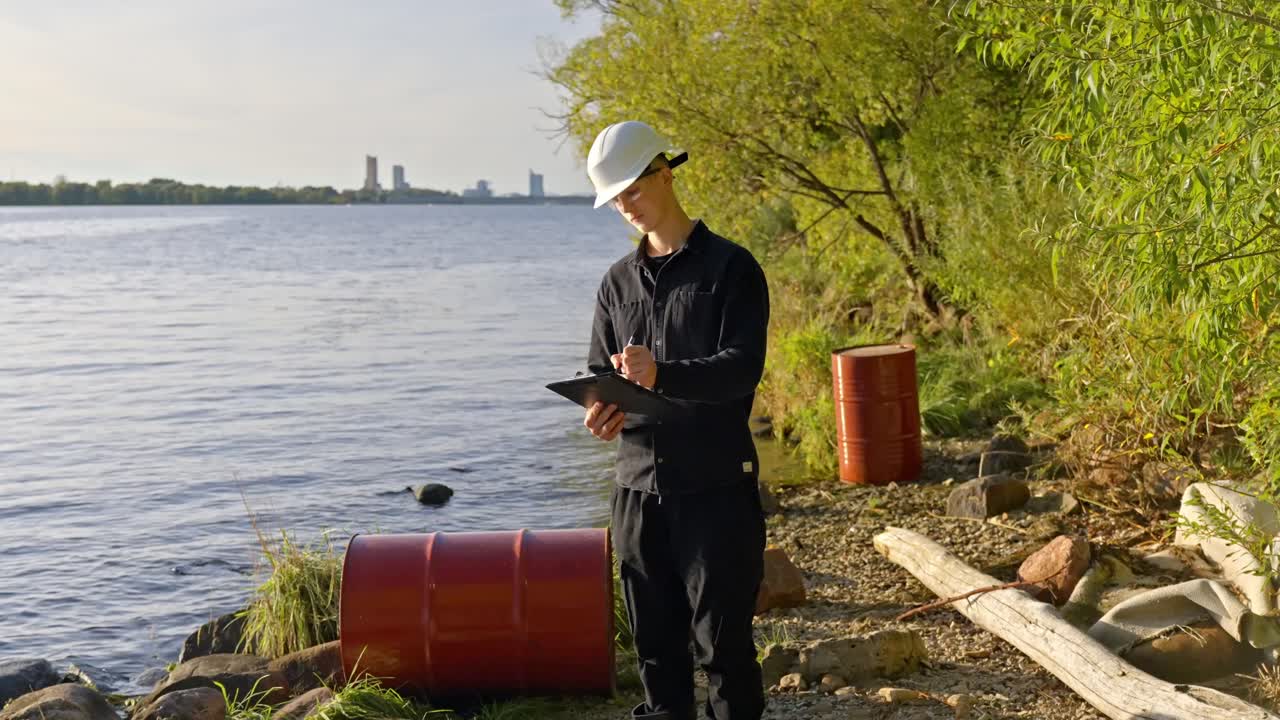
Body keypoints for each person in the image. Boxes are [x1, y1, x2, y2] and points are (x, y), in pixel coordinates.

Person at [581, 120, 770, 720]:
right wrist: (600, 410)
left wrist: (662, 374)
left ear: (665, 173)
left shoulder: (731, 269)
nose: (625, 208)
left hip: (714, 486)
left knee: (725, 650)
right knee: (655, 651)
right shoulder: (615, 283)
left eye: (632, 191)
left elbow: (741, 369)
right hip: (635, 490)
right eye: (614, 200)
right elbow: (596, 369)